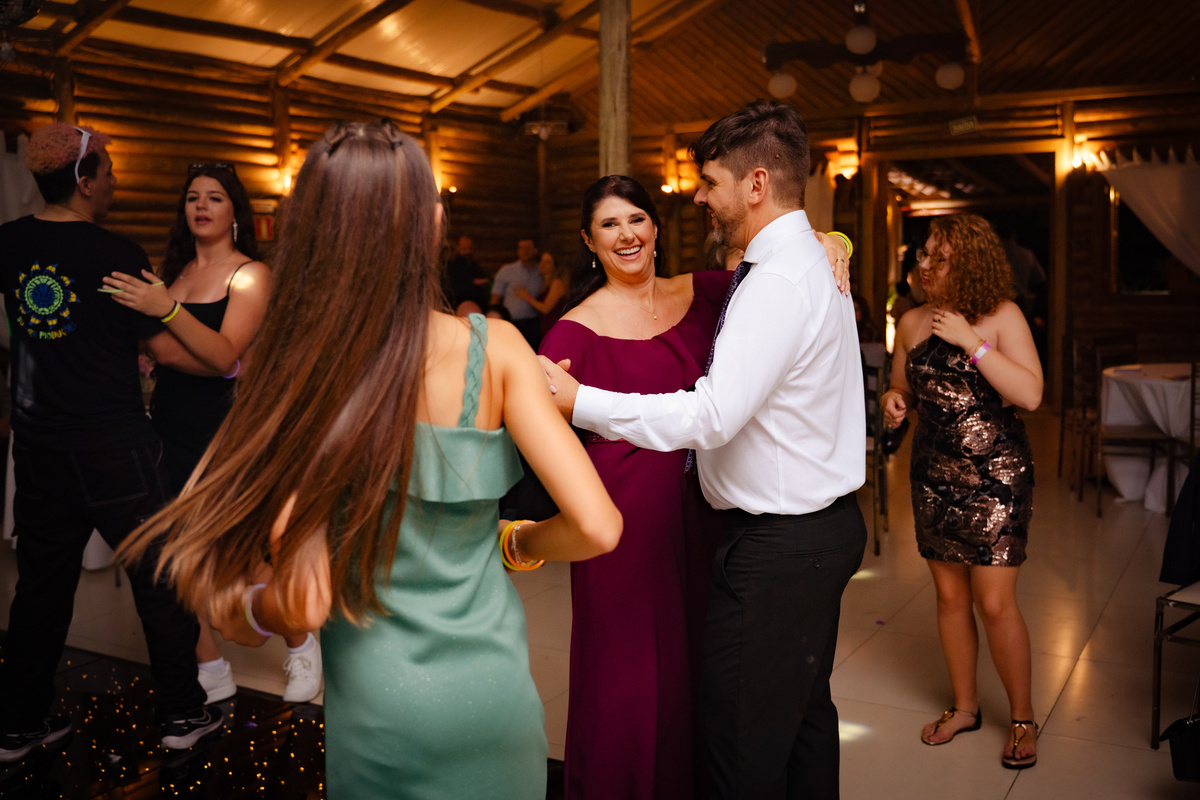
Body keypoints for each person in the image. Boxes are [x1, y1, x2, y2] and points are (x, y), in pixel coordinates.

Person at [117, 120, 622, 799]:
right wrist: (514, 545)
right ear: (430, 224)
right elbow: (597, 526)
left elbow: (302, 600)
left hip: (385, 717)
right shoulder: (497, 347)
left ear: (313, 229)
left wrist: (247, 607)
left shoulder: (307, 371)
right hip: (495, 704)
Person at [541, 100, 866, 800]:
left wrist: (585, 404)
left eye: (711, 182)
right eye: (608, 224)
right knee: (799, 715)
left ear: (755, 185)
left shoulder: (762, 282)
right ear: (589, 241)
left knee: (744, 743)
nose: (700, 197)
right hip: (698, 530)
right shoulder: (790, 265)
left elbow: (713, 414)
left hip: (768, 540)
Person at [0, 122, 219, 762]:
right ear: (84, 181)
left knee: (39, 589)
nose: (115, 182)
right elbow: (158, 349)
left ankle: (17, 726)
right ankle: (182, 714)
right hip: (113, 445)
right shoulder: (116, 252)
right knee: (161, 578)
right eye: (109, 172)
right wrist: (223, 363)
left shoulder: (9, 242)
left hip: (37, 443)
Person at [101, 164, 322, 705]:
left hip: (227, 430)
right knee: (177, 556)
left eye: (215, 198)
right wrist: (152, 348)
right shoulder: (173, 275)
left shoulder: (250, 275)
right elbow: (173, 351)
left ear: (234, 212)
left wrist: (165, 314)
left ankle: (301, 643)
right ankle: (211, 664)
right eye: (193, 197)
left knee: (243, 550)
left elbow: (225, 356)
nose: (201, 206)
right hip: (169, 426)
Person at [882, 214, 1042, 770]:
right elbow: (902, 384)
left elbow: (1031, 394)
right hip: (933, 476)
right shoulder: (910, 321)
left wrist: (971, 342)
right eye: (923, 254)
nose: (925, 265)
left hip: (996, 477)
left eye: (939, 257)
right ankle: (966, 707)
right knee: (950, 599)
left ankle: (1022, 718)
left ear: (969, 264)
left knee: (994, 602)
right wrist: (896, 401)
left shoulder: (1003, 316)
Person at [490, 238, 543, 348]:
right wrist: (491, 324)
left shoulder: (541, 271)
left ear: (535, 250)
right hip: (511, 323)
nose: (525, 251)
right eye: (521, 248)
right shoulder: (507, 270)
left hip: (533, 324)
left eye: (528, 248)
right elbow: (495, 299)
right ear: (518, 251)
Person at [514, 251, 569, 335]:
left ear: (555, 266)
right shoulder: (544, 284)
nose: (542, 264)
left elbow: (546, 309)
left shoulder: (557, 282)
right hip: (545, 327)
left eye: (547, 262)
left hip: (554, 328)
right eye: (541, 261)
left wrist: (527, 297)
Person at [443, 234, 489, 314]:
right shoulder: (450, 266)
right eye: (464, 248)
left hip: (475, 307)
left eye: (470, 248)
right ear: (457, 248)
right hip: (456, 308)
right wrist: (474, 282)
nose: (468, 251)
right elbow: (454, 287)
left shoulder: (474, 265)